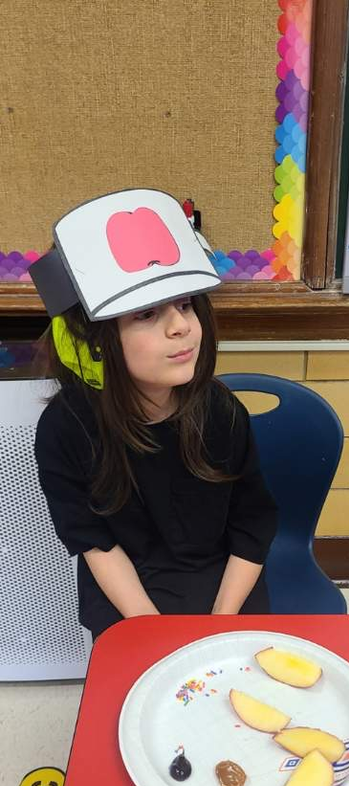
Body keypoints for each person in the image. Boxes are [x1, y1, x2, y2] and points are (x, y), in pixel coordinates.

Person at [31, 188, 277, 640]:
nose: (180, 325)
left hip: (222, 582)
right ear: (90, 344)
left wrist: (219, 627)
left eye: (185, 305)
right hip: (129, 589)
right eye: (146, 314)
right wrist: (152, 634)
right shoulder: (66, 431)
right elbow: (95, 541)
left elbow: (252, 525)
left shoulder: (221, 414)